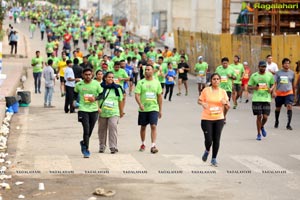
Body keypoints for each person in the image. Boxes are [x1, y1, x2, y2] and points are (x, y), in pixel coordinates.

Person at [198, 73, 230, 167]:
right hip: (206, 118)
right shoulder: (206, 90)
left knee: (217, 139)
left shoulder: (223, 92)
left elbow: (228, 105)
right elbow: (199, 100)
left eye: (217, 79)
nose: (216, 81)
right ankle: (207, 150)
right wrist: (202, 103)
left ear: (220, 81)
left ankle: (214, 159)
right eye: (214, 79)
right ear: (211, 81)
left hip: (219, 118)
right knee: (209, 140)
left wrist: (226, 104)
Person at [75, 68, 103, 158]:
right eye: (86, 74)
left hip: (94, 110)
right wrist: (74, 101)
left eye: (89, 74)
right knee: (86, 130)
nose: (88, 76)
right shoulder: (79, 84)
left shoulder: (96, 84)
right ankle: (86, 149)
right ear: (83, 75)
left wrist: (95, 98)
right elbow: (74, 93)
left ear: (92, 75)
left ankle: (83, 142)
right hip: (83, 110)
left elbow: (102, 94)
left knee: (90, 130)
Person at [135, 64, 162, 154]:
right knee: (143, 127)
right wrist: (140, 104)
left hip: (154, 107)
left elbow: (159, 96)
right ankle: (143, 143)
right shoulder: (141, 82)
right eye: (145, 69)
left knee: (153, 125)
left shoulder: (157, 82)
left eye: (148, 69)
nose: (146, 71)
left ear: (153, 71)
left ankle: (153, 145)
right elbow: (137, 95)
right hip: (143, 109)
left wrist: (160, 110)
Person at [98, 72, 124, 154]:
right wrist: (97, 107)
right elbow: (96, 98)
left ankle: (113, 146)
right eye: (109, 77)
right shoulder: (100, 87)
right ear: (105, 78)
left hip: (114, 112)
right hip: (102, 112)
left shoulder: (117, 88)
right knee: (101, 130)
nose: (111, 79)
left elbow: (121, 100)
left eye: (112, 77)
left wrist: (121, 111)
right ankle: (102, 145)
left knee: (113, 127)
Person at [248, 61, 275, 141]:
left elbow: (273, 84)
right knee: (259, 116)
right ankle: (259, 133)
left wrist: (271, 90)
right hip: (257, 99)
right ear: (258, 67)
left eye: (264, 67)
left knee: (265, 117)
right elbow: (249, 87)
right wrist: (254, 88)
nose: (263, 68)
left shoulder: (269, 75)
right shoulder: (254, 75)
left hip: (266, 98)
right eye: (261, 66)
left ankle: (262, 126)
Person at [273, 58, 295, 130]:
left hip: (289, 93)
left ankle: (288, 124)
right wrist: (274, 92)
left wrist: (294, 94)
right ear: (282, 64)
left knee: (289, 106)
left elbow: (293, 84)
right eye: (285, 63)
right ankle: (276, 121)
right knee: (278, 108)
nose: (287, 64)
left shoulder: (292, 73)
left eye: (288, 63)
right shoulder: (278, 73)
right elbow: (275, 83)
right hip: (279, 93)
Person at [215, 57, 236, 123]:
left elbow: (235, 77)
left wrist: (231, 76)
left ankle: (223, 116)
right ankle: (221, 117)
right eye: (223, 63)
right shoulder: (218, 68)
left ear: (228, 63)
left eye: (226, 63)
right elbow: (215, 76)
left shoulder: (231, 69)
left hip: (228, 89)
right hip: (219, 88)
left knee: (226, 105)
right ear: (221, 63)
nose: (225, 65)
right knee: (220, 104)